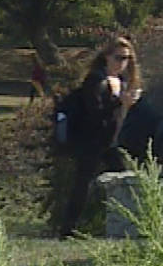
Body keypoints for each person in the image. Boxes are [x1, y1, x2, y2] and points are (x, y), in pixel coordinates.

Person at [59, 36, 141, 237]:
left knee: (124, 179)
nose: (122, 63)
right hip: (90, 140)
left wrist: (127, 104)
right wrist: (120, 102)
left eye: (126, 59)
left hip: (110, 141)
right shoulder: (95, 79)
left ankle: (127, 226)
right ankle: (68, 230)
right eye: (118, 58)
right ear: (106, 57)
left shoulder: (121, 82)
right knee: (83, 185)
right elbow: (95, 111)